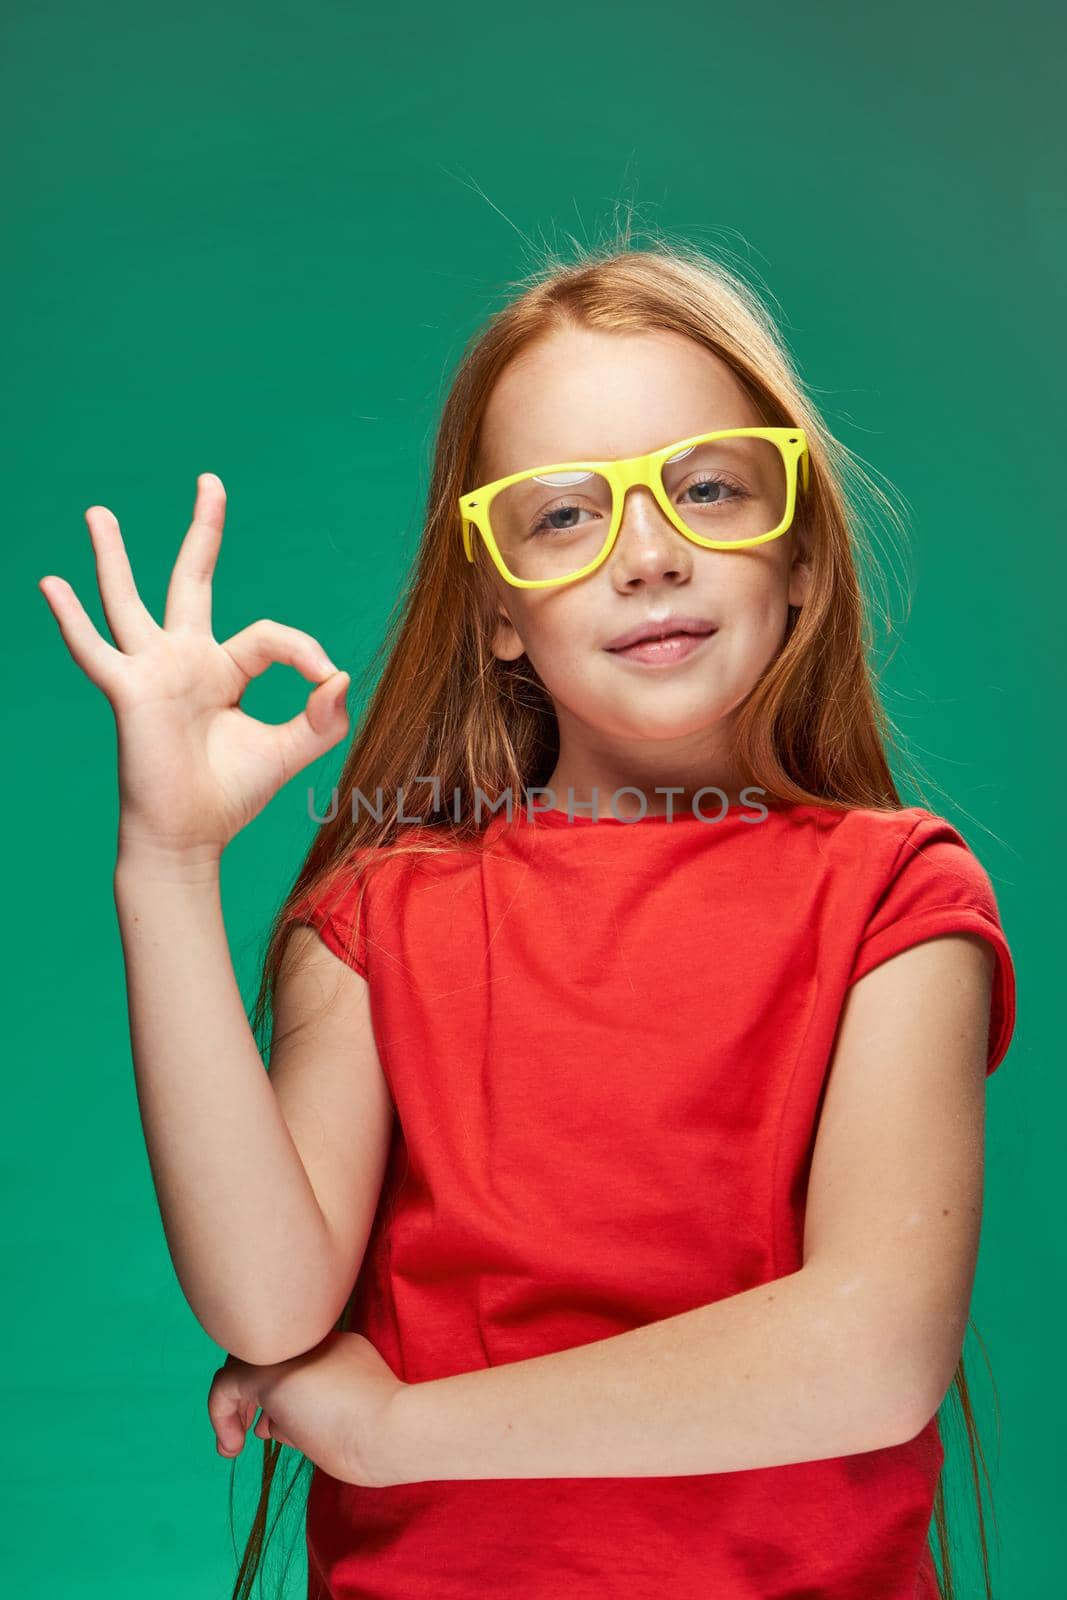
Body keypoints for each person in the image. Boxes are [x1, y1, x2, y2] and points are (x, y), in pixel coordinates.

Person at [38, 240, 1016, 1600]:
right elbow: (267, 1309)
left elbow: (872, 1358)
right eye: (565, 516)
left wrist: (395, 1430)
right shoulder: (383, 920)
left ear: (797, 553)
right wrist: (168, 861)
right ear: (497, 606)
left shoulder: (897, 894)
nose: (651, 556)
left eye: (712, 489)